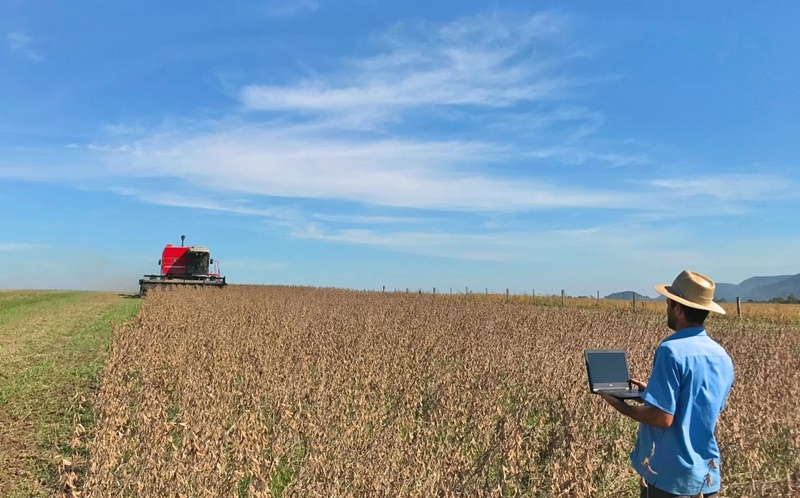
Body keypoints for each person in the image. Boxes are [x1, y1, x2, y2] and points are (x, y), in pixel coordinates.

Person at [599, 270, 734, 498]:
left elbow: (663, 418)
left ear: (678, 308)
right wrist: (651, 392)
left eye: (669, 303)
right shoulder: (722, 356)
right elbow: (700, 406)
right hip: (707, 477)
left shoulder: (670, 350)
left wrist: (621, 406)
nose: (667, 308)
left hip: (669, 477)